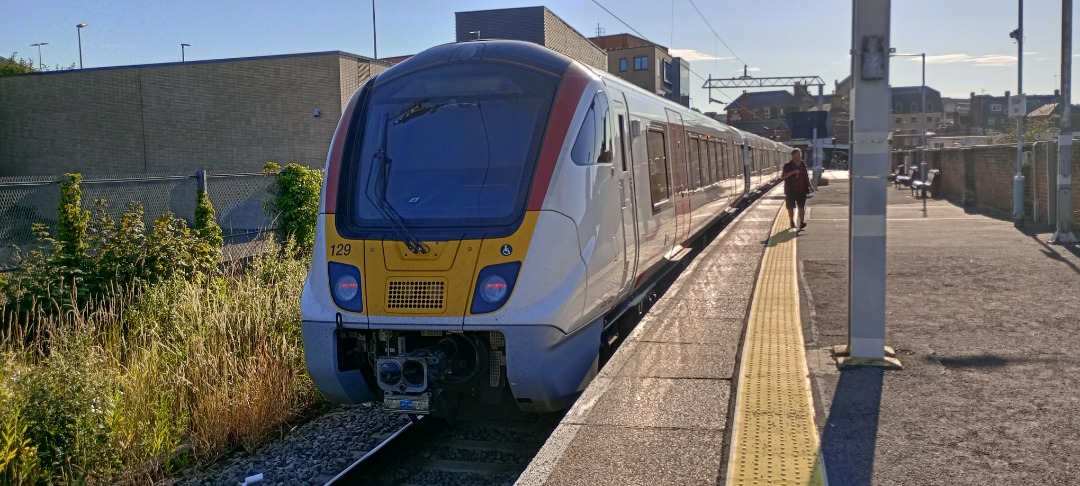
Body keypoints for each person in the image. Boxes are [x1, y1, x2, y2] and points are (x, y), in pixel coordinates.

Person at [781, 149, 813, 229]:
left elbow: (806, 176)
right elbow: (783, 176)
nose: (800, 155)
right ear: (794, 156)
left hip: (802, 190)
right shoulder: (787, 165)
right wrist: (792, 172)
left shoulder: (803, 164)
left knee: (801, 207)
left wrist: (810, 186)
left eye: (800, 154)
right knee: (790, 207)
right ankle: (791, 221)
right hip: (790, 190)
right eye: (798, 154)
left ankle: (801, 222)